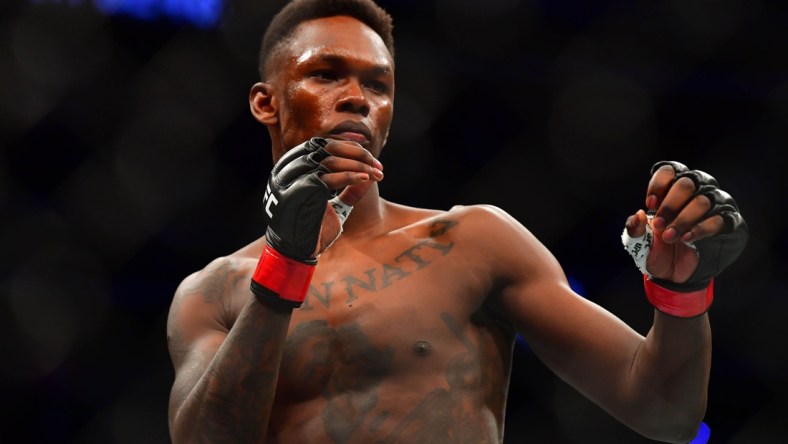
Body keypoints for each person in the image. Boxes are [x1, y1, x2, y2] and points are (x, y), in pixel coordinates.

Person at [165, 0, 748, 442]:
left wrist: (682, 295)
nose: (357, 98)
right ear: (266, 101)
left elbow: (665, 412)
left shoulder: (471, 241)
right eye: (326, 74)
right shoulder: (215, 290)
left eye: (378, 84)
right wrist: (285, 267)